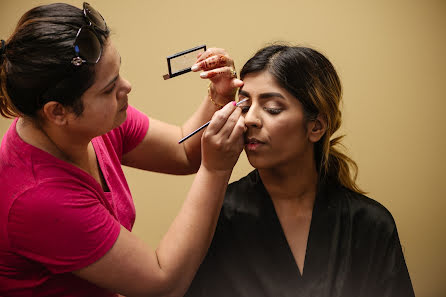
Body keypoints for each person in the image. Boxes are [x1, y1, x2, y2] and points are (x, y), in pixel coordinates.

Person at [0, 2, 246, 296]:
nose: (127, 87)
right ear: (57, 112)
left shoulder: (91, 124)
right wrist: (217, 168)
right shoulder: (37, 198)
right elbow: (164, 283)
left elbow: (182, 151)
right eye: (108, 89)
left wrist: (218, 97)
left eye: (119, 73)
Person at [185, 45, 415, 297]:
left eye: (272, 108)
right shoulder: (217, 216)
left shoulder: (370, 226)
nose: (249, 119)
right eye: (245, 104)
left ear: (316, 126)